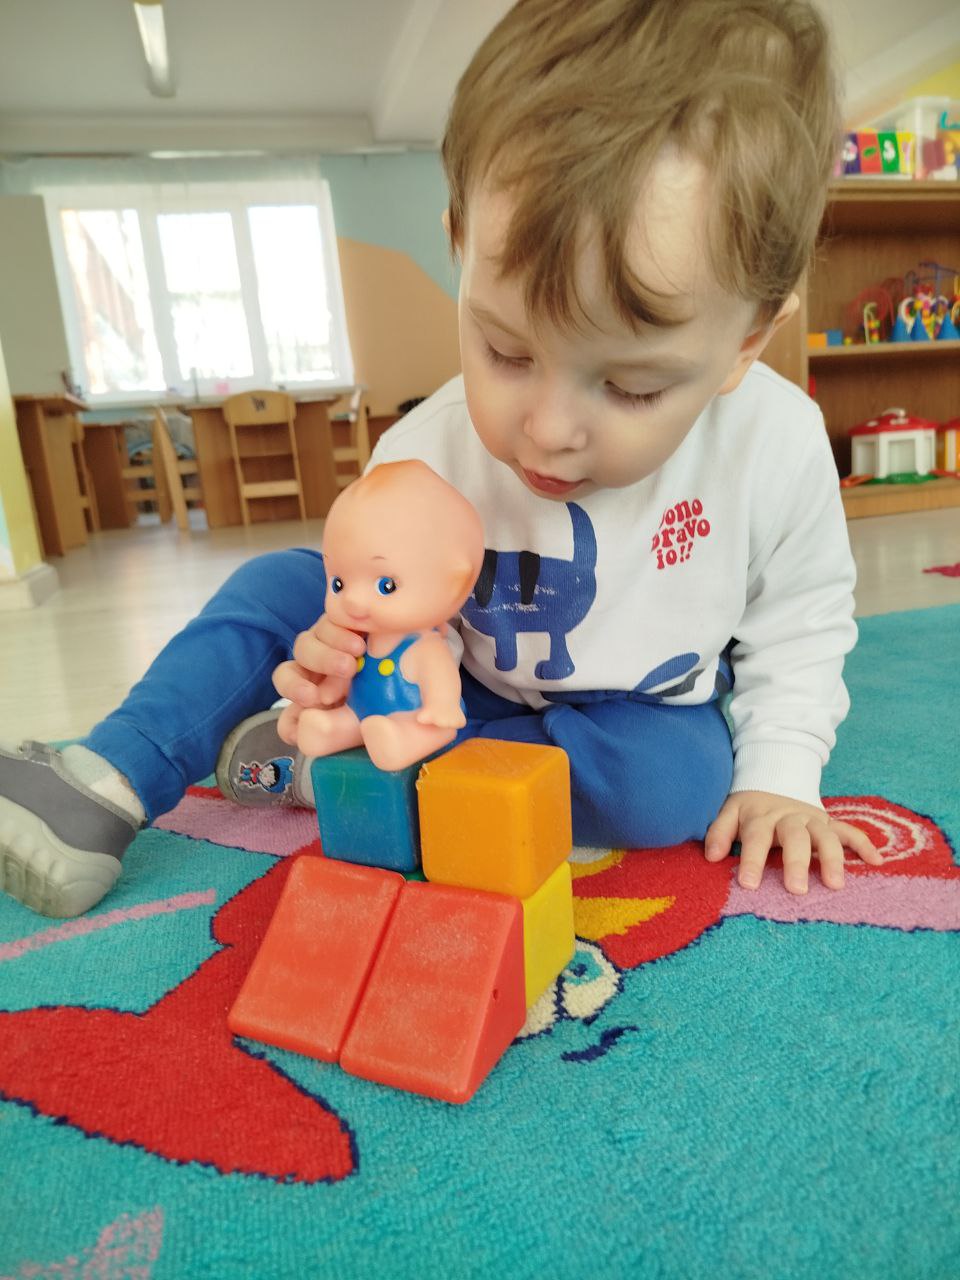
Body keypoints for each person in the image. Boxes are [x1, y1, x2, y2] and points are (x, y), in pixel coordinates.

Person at [0, 0, 882, 920]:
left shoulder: (777, 444)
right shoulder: (425, 448)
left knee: (675, 785)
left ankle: (335, 774)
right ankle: (109, 776)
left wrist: (783, 774)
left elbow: (802, 621)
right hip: (453, 682)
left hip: (628, 714)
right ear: (461, 244)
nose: (547, 430)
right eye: (506, 351)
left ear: (747, 340)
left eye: (631, 387)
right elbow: (384, 610)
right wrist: (343, 654)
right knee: (275, 586)